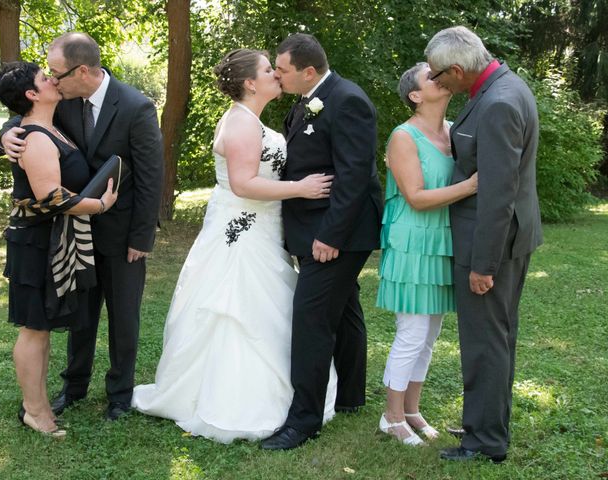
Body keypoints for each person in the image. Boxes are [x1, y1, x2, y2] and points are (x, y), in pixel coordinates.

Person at [131, 49, 337, 443]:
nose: (275, 74)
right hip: (241, 229)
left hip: (261, 226)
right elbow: (243, 184)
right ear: (249, 83)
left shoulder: (251, 120)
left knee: (263, 306)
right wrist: (300, 189)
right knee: (238, 307)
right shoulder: (241, 124)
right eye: (266, 70)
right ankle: (238, 400)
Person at [0, 32, 164, 421]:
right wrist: (4, 134)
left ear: (84, 71)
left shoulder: (137, 107)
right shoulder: (63, 101)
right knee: (81, 316)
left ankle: (119, 395)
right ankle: (73, 387)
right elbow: (25, 113)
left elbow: (150, 177)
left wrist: (142, 237)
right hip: (74, 233)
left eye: (57, 74)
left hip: (123, 235)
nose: (51, 81)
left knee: (124, 318)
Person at [424, 26, 542, 462]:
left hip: (491, 244)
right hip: (508, 237)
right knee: (497, 339)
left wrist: (483, 264)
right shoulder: (502, 86)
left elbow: (497, 193)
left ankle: (485, 441)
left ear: (457, 69)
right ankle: (486, 423)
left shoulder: (498, 103)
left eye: (439, 76)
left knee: (485, 343)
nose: (437, 84)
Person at [261, 34, 383, 450]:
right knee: (345, 310)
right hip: (318, 226)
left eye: (282, 70)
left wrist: (331, 236)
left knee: (311, 320)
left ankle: (304, 421)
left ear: (308, 71)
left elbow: (355, 175)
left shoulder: (347, 100)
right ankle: (350, 396)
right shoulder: (306, 98)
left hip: (337, 233)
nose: (277, 75)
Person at [0, 61, 118, 437]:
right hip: (36, 244)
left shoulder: (51, 125)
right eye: (44, 78)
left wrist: (6, 131)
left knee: (42, 328)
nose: (53, 79)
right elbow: (51, 197)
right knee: (34, 329)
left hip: (50, 241)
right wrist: (99, 206)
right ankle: (34, 410)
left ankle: (40, 403)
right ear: (33, 94)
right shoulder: (35, 137)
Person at [375, 62, 477, 446]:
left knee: (431, 333)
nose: (439, 79)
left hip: (441, 241)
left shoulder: (453, 132)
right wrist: (471, 186)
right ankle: (391, 415)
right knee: (413, 331)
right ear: (415, 95)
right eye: (429, 77)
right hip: (413, 241)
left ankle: (412, 410)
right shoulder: (403, 136)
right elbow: (416, 198)